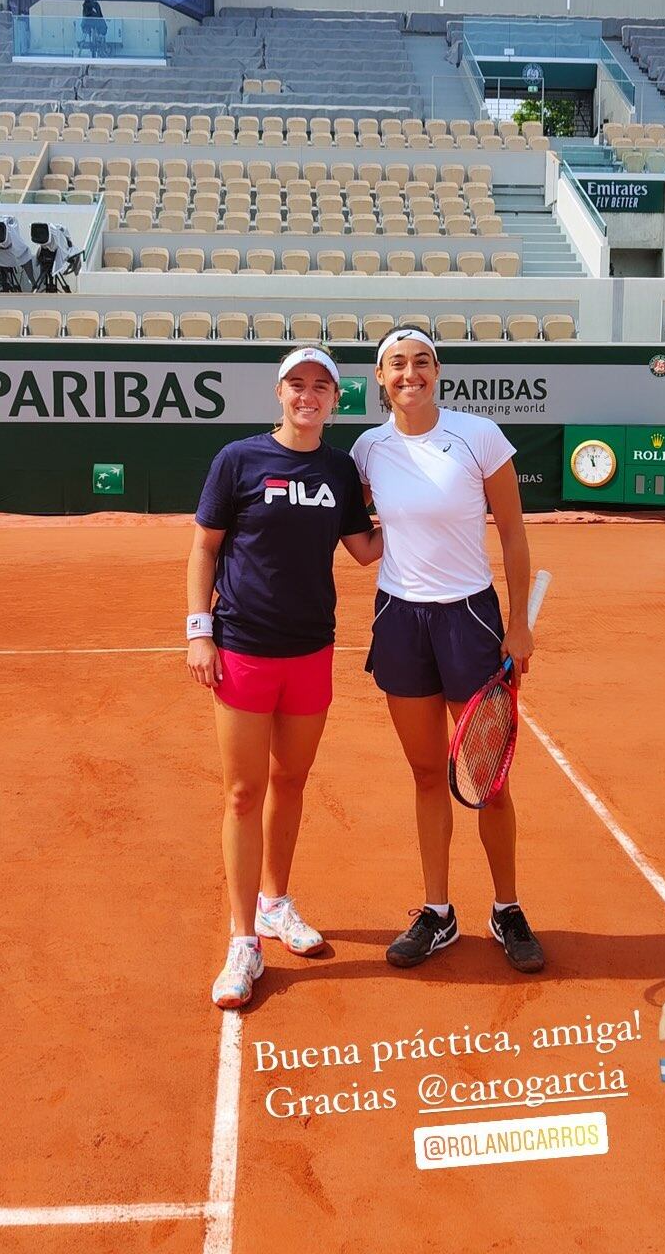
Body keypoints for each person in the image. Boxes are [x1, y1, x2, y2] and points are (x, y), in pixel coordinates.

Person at [187, 348, 382, 1009]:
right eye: (297, 384)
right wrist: (198, 631)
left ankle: (275, 903)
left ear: (335, 399)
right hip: (242, 648)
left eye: (321, 386)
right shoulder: (238, 460)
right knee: (243, 794)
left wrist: (432, 512)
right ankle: (244, 940)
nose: (309, 395)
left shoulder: (338, 468)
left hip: (310, 652)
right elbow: (205, 549)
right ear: (280, 393)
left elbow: (364, 551)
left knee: (290, 782)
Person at [351, 329, 544, 974]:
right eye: (397, 365)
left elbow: (514, 535)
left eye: (423, 362)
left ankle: (507, 907)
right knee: (430, 774)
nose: (411, 374)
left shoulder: (478, 436)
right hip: (399, 620)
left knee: (488, 780)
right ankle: (438, 914)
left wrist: (518, 626)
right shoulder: (366, 449)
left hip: (470, 619)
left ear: (438, 372)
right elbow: (362, 538)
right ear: (380, 378)